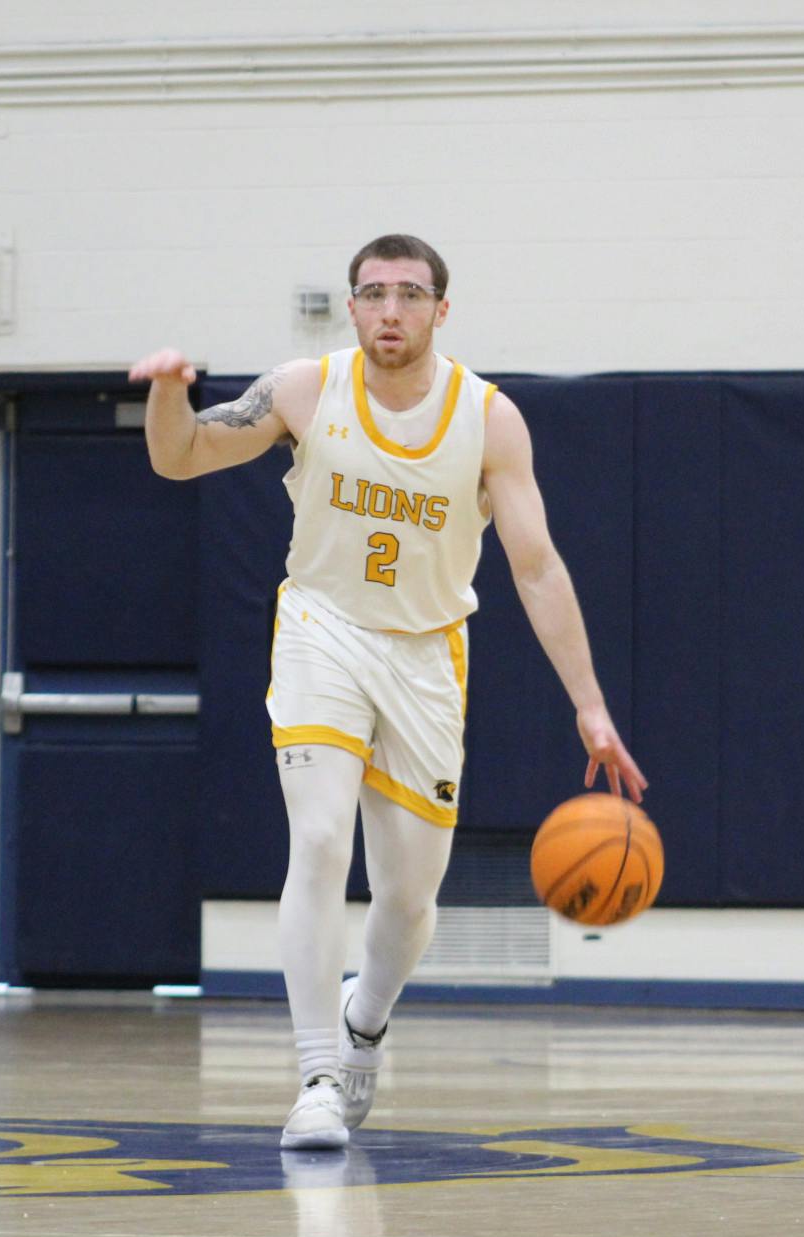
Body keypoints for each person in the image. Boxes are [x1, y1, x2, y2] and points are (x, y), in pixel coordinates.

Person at [131, 234, 646, 1150]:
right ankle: (317, 1072)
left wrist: (591, 704)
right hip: (321, 632)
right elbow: (182, 459)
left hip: (425, 656)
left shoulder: (488, 418)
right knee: (321, 837)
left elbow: (535, 568)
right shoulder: (302, 388)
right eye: (373, 294)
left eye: (410, 295)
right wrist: (170, 394)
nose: (391, 311)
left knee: (409, 900)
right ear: (352, 307)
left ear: (441, 310)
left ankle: (365, 1017)